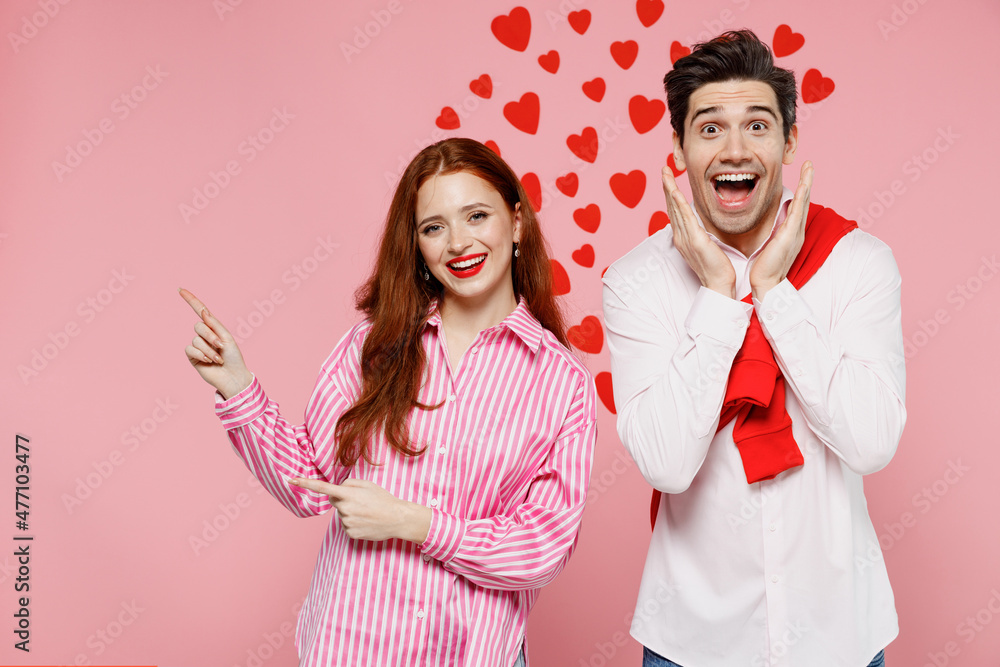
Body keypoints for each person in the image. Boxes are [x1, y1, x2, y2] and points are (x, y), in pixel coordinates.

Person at [180, 138, 597, 667]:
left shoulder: (563, 384)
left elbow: (540, 548)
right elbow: (308, 484)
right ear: (418, 245)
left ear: (515, 224)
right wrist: (237, 387)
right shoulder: (372, 347)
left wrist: (413, 522)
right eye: (434, 227)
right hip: (349, 648)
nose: (458, 243)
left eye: (476, 215)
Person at [602, 30, 904, 667]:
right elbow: (666, 464)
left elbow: (872, 442)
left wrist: (774, 294)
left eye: (758, 125)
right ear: (680, 149)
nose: (734, 149)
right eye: (708, 129)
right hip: (693, 641)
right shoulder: (636, 281)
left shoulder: (859, 263)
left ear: (789, 143)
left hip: (840, 636)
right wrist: (717, 297)